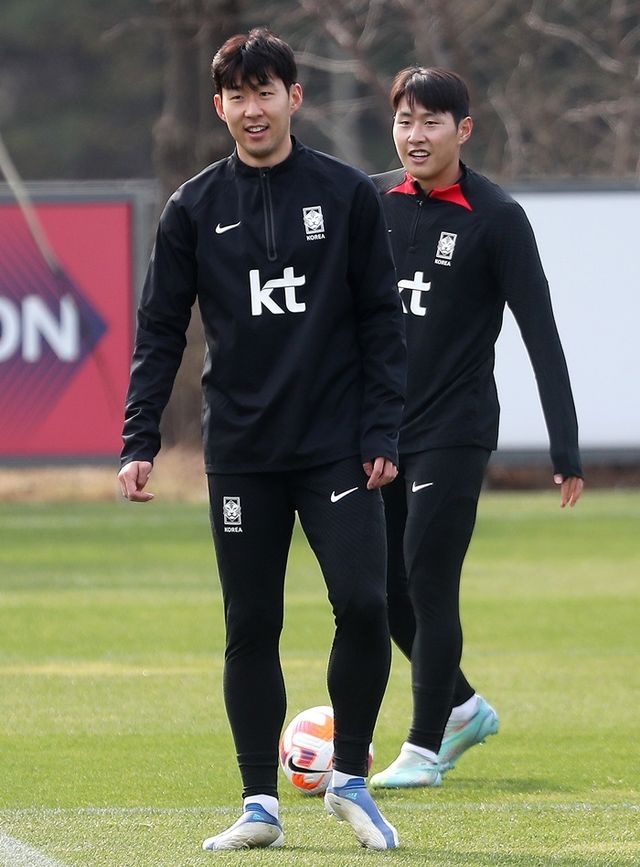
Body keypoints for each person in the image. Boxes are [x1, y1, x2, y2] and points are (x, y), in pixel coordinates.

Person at [118, 29, 406, 851]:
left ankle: (350, 778)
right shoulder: (193, 207)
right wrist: (140, 437)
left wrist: (381, 426)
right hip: (243, 451)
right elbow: (160, 328)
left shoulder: (346, 195)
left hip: (337, 445)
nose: (253, 109)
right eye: (238, 96)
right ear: (220, 106)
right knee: (251, 623)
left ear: (293, 98)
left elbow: (382, 321)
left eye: (266, 92)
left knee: (365, 602)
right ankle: (259, 804)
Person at [368, 67, 584, 789]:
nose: (416, 135)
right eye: (405, 120)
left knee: (428, 578)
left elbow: (541, 333)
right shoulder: (371, 201)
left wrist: (565, 446)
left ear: (463, 129)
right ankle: (462, 708)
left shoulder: (497, 217)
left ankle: (423, 749)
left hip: (455, 429)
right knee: (380, 592)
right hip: (380, 432)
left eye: (431, 121)